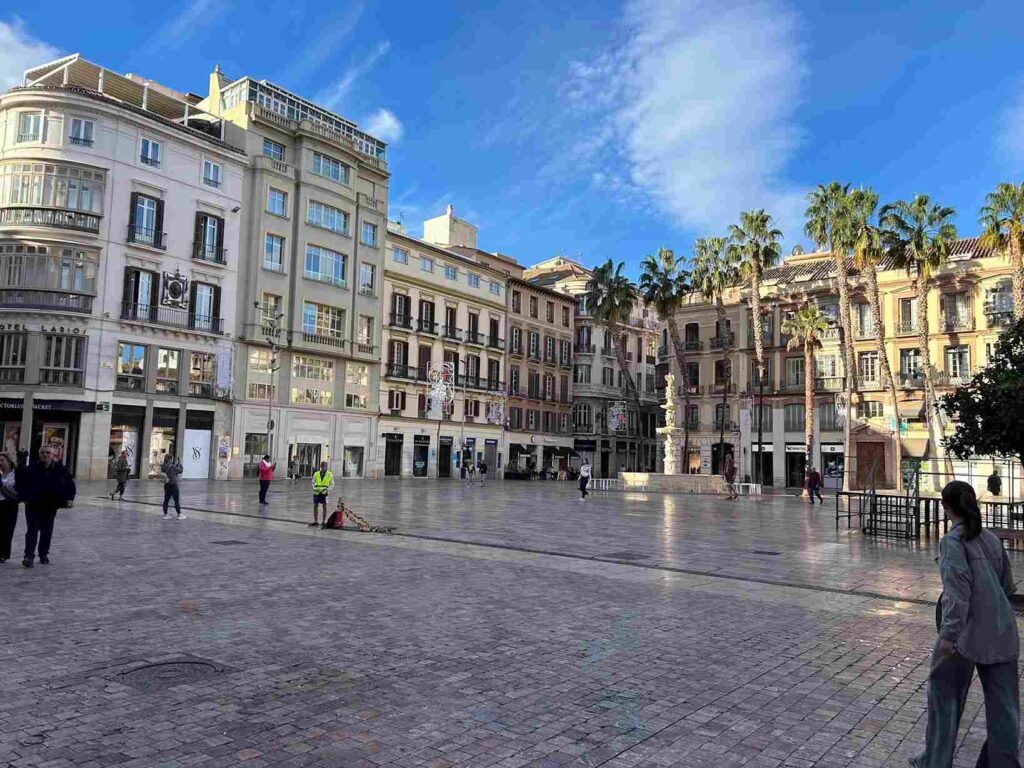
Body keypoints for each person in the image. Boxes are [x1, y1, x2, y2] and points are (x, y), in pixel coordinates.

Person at [911, 480, 1020, 768]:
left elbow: (958, 595)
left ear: (947, 508)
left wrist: (947, 637)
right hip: (1003, 632)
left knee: (943, 698)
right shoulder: (992, 539)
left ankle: (935, 761)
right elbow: (1007, 586)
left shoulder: (953, 543)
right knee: (1005, 710)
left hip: (964, 635)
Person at [17, 445, 75, 568]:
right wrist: (25, 497)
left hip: (50, 506)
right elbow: (22, 484)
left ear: (53, 455)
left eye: (48, 452)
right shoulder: (31, 469)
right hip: (33, 505)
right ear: (39, 454)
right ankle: (29, 556)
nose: (45, 454)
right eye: (42, 452)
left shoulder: (60, 470)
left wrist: (69, 499)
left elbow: (69, 484)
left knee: (47, 531)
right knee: (32, 530)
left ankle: (43, 554)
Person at [0, 452, 19, 563]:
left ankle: (4, 554)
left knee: (7, 530)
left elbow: (18, 490)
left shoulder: (16, 474)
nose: (0, 463)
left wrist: (4, 488)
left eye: (2, 460)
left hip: (10, 504)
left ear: (9, 461)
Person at [161, 454, 184, 520]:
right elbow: (180, 470)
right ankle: (179, 514)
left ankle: (165, 514)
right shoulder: (172, 466)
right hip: (173, 485)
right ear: (170, 459)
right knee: (176, 500)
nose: (173, 460)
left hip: (166, 484)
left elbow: (171, 472)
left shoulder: (163, 466)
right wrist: (179, 463)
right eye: (172, 459)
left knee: (166, 499)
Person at [310, 461, 333, 527]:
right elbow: (312, 482)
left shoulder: (329, 474)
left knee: (324, 507)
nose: (323, 467)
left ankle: (323, 521)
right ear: (320, 466)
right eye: (322, 466)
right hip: (316, 492)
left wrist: (327, 490)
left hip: (324, 493)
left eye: (324, 466)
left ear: (326, 467)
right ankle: (316, 521)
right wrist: (314, 488)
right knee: (315, 506)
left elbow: (332, 484)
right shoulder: (316, 474)